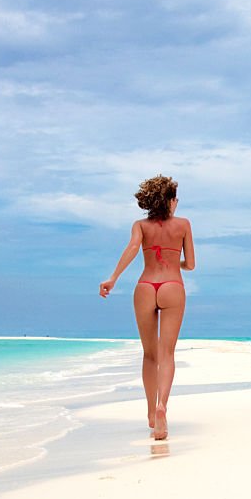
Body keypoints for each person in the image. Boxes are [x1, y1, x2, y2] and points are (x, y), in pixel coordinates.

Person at [100, 175, 195, 440]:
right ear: (170, 200)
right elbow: (191, 264)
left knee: (149, 355)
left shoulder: (140, 225)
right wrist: (176, 262)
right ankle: (163, 405)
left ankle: (151, 413)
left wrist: (113, 278)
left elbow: (132, 249)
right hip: (172, 286)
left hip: (145, 287)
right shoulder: (184, 225)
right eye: (175, 198)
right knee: (167, 354)